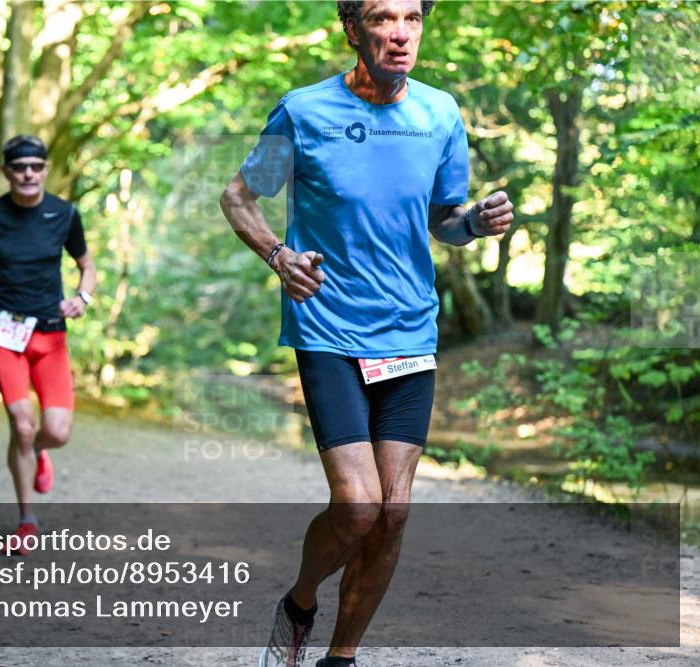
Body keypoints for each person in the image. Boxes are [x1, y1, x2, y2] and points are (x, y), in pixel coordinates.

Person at [219, 2, 514, 665]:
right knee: (358, 505)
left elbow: (444, 220)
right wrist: (278, 256)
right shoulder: (304, 113)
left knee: (394, 511)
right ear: (353, 29)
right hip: (329, 327)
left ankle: (341, 657)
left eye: (412, 18)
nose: (401, 33)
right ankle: (298, 605)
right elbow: (239, 197)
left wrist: (476, 222)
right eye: (383, 18)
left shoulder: (439, 113)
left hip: (409, 330)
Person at [0, 135, 96, 554]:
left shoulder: (65, 214)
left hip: (51, 334)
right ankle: (26, 520)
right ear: (6, 172)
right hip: (5, 334)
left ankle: (36, 453)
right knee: (22, 424)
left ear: (46, 169)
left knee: (57, 432)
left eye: (35, 166)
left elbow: (87, 266)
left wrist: (82, 297)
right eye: (19, 167)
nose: (28, 174)